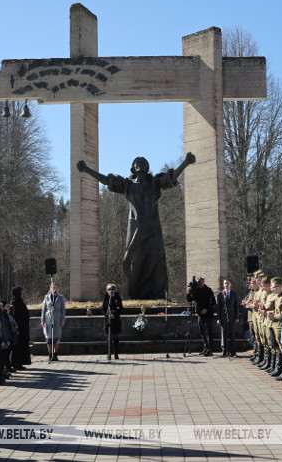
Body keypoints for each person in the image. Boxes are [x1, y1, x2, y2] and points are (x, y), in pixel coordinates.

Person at [76, 152, 195, 299]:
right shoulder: (128, 185)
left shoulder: (154, 182)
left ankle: (159, 295)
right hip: (135, 231)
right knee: (135, 262)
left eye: (143, 161)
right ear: (133, 167)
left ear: (147, 166)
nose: (140, 163)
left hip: (153, 230)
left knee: (157, 261)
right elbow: (108, 180)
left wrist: (186, 163)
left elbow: (171, 177)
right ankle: (136, 295)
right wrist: (87, 169)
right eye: (137, 162)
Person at [266, 277, 282, 378]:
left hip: (279, 325)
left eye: (274, 287)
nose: (272, 289)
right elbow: (268, 307)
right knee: (274, 346)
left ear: (280, 287)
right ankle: (277, 367)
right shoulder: (275, 296)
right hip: (273, 324)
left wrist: (274, 316)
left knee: (281, 348)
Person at [189, 277, 215, 356]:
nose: (199, 284)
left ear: (203, 282)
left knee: (208, 332)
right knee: (202, 332)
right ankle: (206, 347)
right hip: (200, 314)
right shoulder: (196, 290)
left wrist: (206, 309)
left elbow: (213, 302)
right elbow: (190, 299)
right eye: (198, 283)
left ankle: (210, 349)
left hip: (208, 314)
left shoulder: (208, 290)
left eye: (200, 282)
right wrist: (188, 292)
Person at [42, 282, 66, 361]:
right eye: (53, 287)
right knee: (49, 338)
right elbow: (44, 309)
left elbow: (63, 310)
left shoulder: (60, 297)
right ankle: (50, 354)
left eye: (55, 287)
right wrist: (43, 320)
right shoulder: (47, 297)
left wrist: (63, 320)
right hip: (48, 317)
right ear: (50, 288)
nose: (54, 289)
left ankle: (55, 355)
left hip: (58, 317)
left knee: (56, 337)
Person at [9, 286, 31, 369]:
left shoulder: (20, 302)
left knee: (22, 345)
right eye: (21, 293)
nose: (22, 294)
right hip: (18, 328)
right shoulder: (14, 303)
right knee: (18, 346)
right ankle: (16, 363)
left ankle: (20, 362)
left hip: (23, 328)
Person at [217, 278, 240, 357]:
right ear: (223, 284)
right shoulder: (220, 294)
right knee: (224, 334)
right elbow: (219, 307)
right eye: (225, 283)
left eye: (228, 283)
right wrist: (218, 318)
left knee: (232, 335)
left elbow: (236, 306)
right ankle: (224, 351)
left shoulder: (234, 294)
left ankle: (233, 352)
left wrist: (237, 317)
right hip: (223, 317)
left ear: (231, 284)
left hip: (232, 317)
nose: (226, 285)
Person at [102, 283, 123, 359]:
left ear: (115, 290)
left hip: (116, 319)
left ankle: (116, 354)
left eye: (113, 289)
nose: (111, 291)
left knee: (116, 336)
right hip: (108, 320)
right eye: (109, 289)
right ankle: (109, 354)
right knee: (109, 336)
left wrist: (114, 313)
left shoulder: (117, 296)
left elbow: (120, 308)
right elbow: (104, 308)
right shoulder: (106, 297)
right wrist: (108, 315)